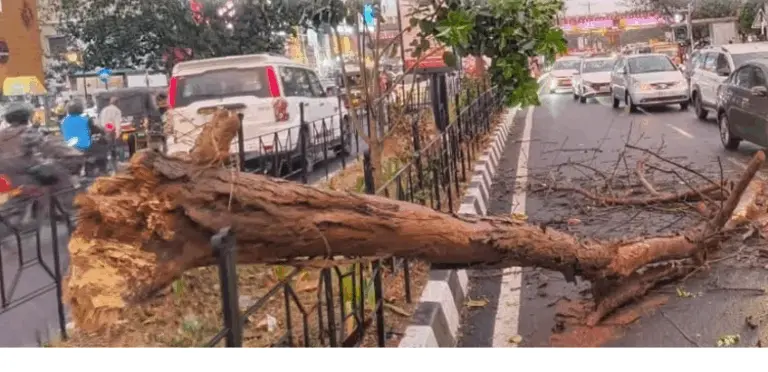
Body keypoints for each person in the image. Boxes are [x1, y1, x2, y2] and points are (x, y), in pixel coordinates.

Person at [60, 99, 108, 173]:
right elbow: (96, 130)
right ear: (80, 109)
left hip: (69, 146)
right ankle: (102, 170)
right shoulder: (85, 119)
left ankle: (89, 164)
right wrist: (103, 131)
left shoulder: (63, 121)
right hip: (84, 146)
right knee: (102, 145)